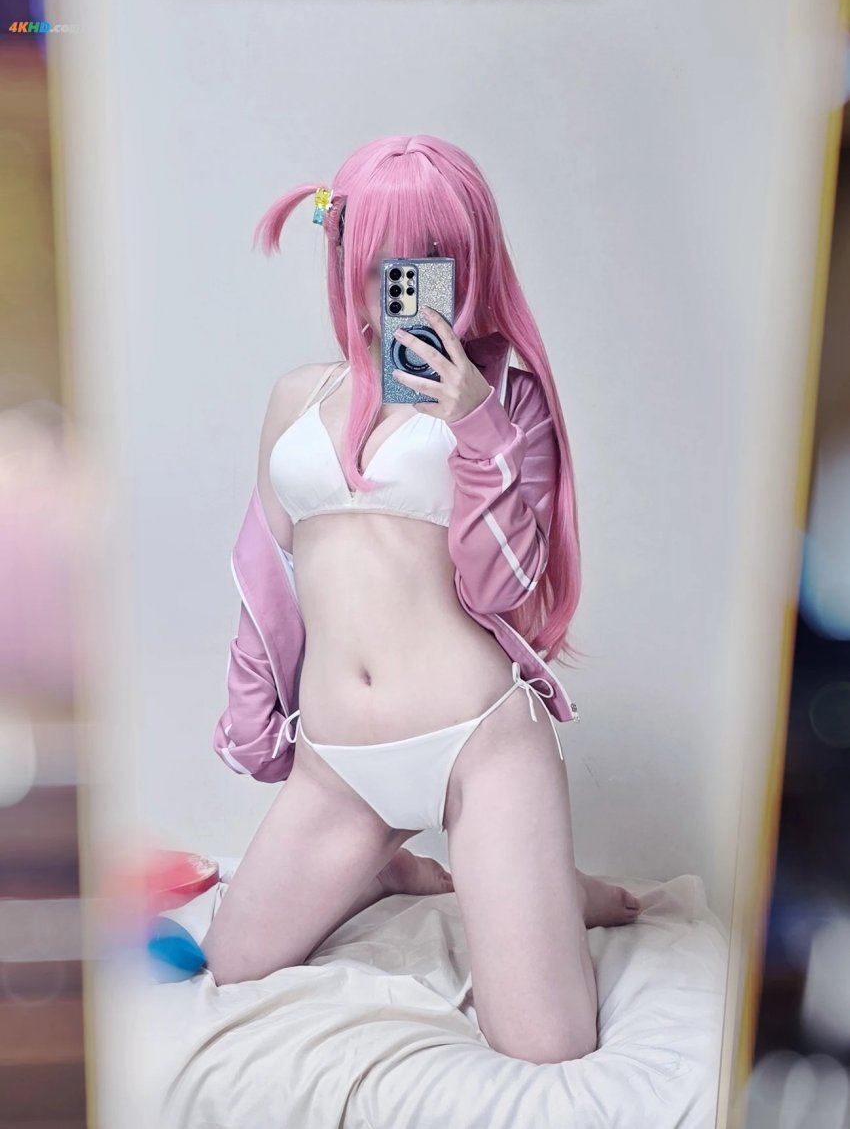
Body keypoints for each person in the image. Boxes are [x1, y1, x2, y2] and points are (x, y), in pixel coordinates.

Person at [202, 135, 641, 1063]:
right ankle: (392, 868)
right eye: (379, 257)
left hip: (476, 743)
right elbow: (266, 572)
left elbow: (502, 586)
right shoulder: (297, 397)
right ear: (344, 252)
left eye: (425, 259)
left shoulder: (504, 394)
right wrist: (251, 715)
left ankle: (550, 887)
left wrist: (477, 425)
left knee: (546, 1043)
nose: (397, 283)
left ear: (464, 261)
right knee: (233, 961)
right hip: (338, 765)